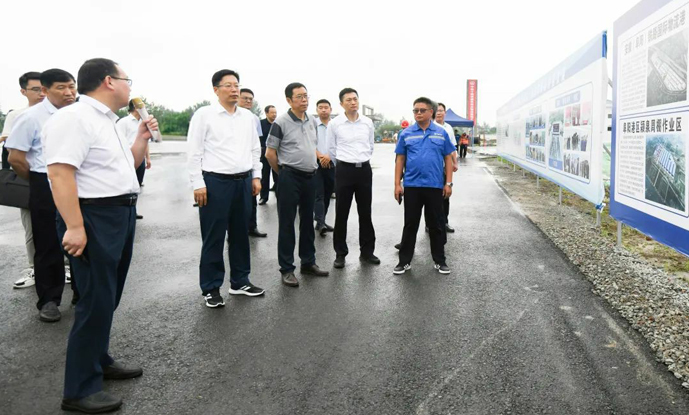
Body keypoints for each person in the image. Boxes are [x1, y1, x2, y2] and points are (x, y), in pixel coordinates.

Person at [44, 58, 157, 413]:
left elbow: (127, 167)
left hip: (119, 212)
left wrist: (141, 138)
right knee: (94, 300)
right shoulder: (74, 118)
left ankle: (98, 359)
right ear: (109, 81)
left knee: (108, 296)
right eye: (127, 79)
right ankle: (79, 389)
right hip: (94, 216)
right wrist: (75, 226)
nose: (130, 86)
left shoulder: (108, 121)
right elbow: (60, 174)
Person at [6, 69, 79, 322]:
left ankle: (81, 293)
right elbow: (16, 158)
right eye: (61, 87)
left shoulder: (80, 114)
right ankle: (49, 300)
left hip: (79, 184)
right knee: (47, 243)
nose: (69, 92)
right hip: (44, 183)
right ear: (46, 91)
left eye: (72, 86)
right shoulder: (30, 118)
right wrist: (39, 182)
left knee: (81, 240)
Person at [188, 71, 266, 308]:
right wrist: (198, 183)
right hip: (215, 183)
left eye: (236, 85)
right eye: (228, 85)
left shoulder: (247, 117)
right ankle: (211, 287)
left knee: (241, 234)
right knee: (214, 236)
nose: (234, 90)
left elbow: (255, 149)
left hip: (243, 182)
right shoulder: (204, 115)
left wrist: (256, 176)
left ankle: (240, 281)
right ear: (216, 90)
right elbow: (194, 151)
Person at [265, 82, 329, 287]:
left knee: (307, 222)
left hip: (310, 176)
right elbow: (270, 153)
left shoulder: (312, 120)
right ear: (289, 100)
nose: (304, 100)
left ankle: (308, 262)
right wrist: (282, 173)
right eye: (299, 96)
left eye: (306, 96)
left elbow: (312, 146)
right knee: (287, 223)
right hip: (289, 176)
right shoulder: (281, 122)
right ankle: (287, 269)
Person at [393, 97, 455, 275]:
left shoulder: (441, 133)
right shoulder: (406, 133)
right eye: (415, 110)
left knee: (436, 225)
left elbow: (448, 159)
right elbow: (400, 159)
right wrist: (397, 184)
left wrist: (448, 183)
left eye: (422, 110)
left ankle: (440, 261)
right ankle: (404, 262)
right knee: (410, 224)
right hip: (412, 186)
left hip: (435, 186)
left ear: (431, 112)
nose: (418, 113)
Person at [1, 72, 44, 289]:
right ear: (23, 91)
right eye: (35, 89)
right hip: (30, 177)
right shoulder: (17, 115)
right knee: (32, 226)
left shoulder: (62, 113)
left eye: (44, 88)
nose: (41, 93)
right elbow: (9, 145)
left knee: (65, 224)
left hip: (60, 178)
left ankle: (65, 267)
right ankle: (35, 268)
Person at [327, 88, 379, 269]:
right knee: (342, 213)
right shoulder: (335, 124)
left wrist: (361, 160)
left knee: (365, 212)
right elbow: (331, 149)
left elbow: (370, 145)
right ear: (341, 104)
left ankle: (367, 252)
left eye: (355, 99)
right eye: (348, 100)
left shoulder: (367, 123)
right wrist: (343, 164)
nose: (353, 102)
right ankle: (340, 253)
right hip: (344, 171)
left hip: (364, 170)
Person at [239, 88, 267, 237]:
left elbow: (257, 142)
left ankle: (252, 226)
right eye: (245, 98)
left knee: (252, 197)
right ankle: (234, 232)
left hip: (251, 164)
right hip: (235, 165)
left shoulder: (254, 118)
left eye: (251, 99)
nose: (248, 101)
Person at [117, 99, 151, 220]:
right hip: (127, 158)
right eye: (142, 107)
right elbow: (118, 141)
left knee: (137, 185)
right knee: (126, 185)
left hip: (140, 158)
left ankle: (133, 210)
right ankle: (123, 211)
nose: (145, 109)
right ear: (136, 108)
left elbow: (146, 141)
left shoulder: (143, 122)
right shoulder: (123, 122)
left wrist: (148, 158)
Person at [435, 102, 458, 233]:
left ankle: (445, 222)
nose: (439, 113)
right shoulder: (430, 125)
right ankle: (430, 224)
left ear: (445, 113)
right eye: (437, 110)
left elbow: (452, 147)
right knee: (431, 197)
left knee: (445, 195)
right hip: (433, 168)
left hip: (445, 168)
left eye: (441, 110)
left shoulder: (448, 128)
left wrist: (455, 162)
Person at [314, 99, 335, 236]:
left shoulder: (336, 125)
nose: (323, 110)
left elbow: (340, 143)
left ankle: (322, 220)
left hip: (332, 163)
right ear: (317, 110)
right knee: (319, 194)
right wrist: (320, 156)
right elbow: (309, 143)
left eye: (326, 107)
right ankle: (320, 222)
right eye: (320, 107)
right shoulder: (312, 125)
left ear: (330, 109)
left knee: (328, 193)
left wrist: (329, 156)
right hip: (316, 163)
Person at [258, 105, 278, 205]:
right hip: (264, 154)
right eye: (272, 113)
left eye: (275, 112)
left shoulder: (278, 124)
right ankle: (263, 197)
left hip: (276, 154)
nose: (274, 114)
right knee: (264, 176)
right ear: (266, 113)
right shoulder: (261, 124)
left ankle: (279, 196)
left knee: (277, 175)